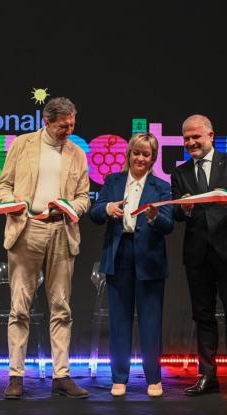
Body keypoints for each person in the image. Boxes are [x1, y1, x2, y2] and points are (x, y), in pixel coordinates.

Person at [0, 97, 90, 399]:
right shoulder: (22, 144)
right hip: (27, 230)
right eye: (63, 126)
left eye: (72, 125)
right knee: (19, 306)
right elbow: (3, 186)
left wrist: (70, 207)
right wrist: (12, 204)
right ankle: (16, 376)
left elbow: (84, 197)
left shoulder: (77, 153)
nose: (68, 131)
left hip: (62, 230)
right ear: (46, 122)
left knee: (61, 306)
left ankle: (61, 375)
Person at [171, 114, 227, 400]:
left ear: (211, 135)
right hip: (197, 255)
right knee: (203, 317)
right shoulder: (180, 172)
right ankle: (207, 376)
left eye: (196, 136)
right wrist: (183, 209)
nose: (191, 142)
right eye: (186, 138)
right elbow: (175, 212)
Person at [90, 132, 173, 398]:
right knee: (119, 320)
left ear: (153, 158)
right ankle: (119, 378)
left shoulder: (161, 187)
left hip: (149, 258)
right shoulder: (112, 181)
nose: (140, 158)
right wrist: (107, 209)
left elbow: (168, 225)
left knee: (151, 321)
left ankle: (154, 378)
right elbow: (95, 212)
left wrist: (155, 216)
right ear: (129, 154)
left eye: (146, 154)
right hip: (119, 255)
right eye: (136, 153)